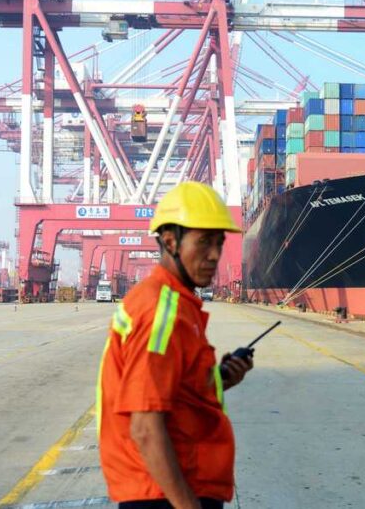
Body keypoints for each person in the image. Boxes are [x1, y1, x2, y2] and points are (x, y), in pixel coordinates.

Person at [97, 181, 252, 509]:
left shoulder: (178, 305)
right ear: (170, 241)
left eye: (219, 243)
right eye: (203, 242)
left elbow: (176, 391)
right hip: (166, 493)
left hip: (175, 486)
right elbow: (145, 426)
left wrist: (221, 378)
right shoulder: (160, 311)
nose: (214, 255)